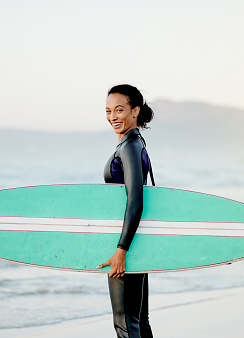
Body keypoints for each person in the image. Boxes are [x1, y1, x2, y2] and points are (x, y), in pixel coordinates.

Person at [97, 84, 155, 338]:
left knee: (125, 324)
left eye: (119, 110)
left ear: (135, 110)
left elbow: (135, 201)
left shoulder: (130, 147)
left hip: (127, 247)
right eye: (108, 111)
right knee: (138, 322)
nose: (113, 117)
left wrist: (121, 250)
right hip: (136, 242)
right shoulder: (134, 143)